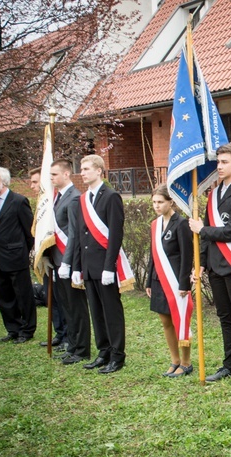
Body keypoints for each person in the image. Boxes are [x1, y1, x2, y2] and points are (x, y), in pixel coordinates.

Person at [188, 142, 231, 388]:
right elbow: (207, 237)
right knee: (225, 318)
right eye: (218, 162)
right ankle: (230, 365)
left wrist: (201, 229)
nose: (219, 166)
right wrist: (201, 264)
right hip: (217, 267)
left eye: (225, 162)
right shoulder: (214, 193)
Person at [75, 154, 129, 374]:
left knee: (111, 311)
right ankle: (103, 351)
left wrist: (109, 266)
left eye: (87, 168)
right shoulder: (83, 199)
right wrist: (77, 266)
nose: (82, 172)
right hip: (88, 266)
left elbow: (115, 235)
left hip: (105, 266)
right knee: (96, 311)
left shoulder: (111, 196)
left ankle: (117, 355)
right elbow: (80, 235)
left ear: (99, 171)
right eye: (81, 168)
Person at [146, 185, 194, 378]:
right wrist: (149, 280)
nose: (157, 206)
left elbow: (186, 255)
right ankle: (174, 360)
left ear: (171, 202)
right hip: (158, 279)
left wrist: (184, 284)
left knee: (179, 320)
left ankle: (186, 362)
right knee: (165, 321)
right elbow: (153, 255)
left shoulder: (181, 223)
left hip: (175, 281)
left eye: (160, 202)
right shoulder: (155, 225)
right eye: (154, 202)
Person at [0, 166, 37, 343]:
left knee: (23, 295)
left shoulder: (18, 201)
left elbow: (30, 231)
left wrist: (23, 250)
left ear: (4, 181)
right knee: (4, 296)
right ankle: (13, 329)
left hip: (16, 257)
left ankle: (27, 330)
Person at [48, 159, 92, 365]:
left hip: (70, 261)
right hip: (59, 260)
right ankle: (72, 345)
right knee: (66, 306)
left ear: (66, 174)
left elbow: (74, 234)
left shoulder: (74, 198)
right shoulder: (58, 197)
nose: (51, 178)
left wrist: (67, 263)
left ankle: (81, 349)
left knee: (77, 308)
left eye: (54, 174)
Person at [28, 166, 68, 350]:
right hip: (46, 258)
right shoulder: (42, 202)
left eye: (36, 182)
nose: (32, 186)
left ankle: (67, 335)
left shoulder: (54, 201)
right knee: (51, 296)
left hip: (58, 257)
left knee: (62, 298)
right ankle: (59, 333)